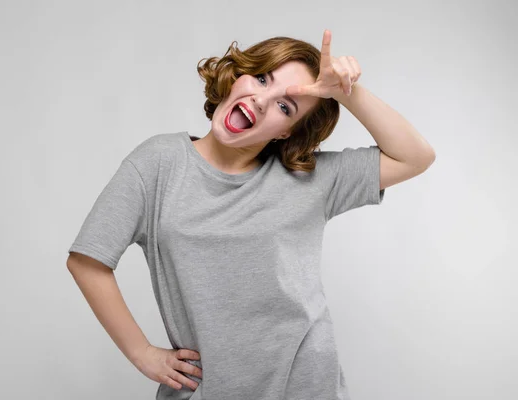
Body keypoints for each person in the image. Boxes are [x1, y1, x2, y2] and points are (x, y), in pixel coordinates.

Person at [66, 30, 435, 400]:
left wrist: (345, 92)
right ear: (239, 74)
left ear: (288, 131)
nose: (261, 100)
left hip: (306, 387)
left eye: (285, 106)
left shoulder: (310, 179)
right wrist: (141, 353)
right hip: (207, 390)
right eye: (262, 78)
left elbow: (415, 157)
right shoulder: (159, 163)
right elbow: (87, 260)